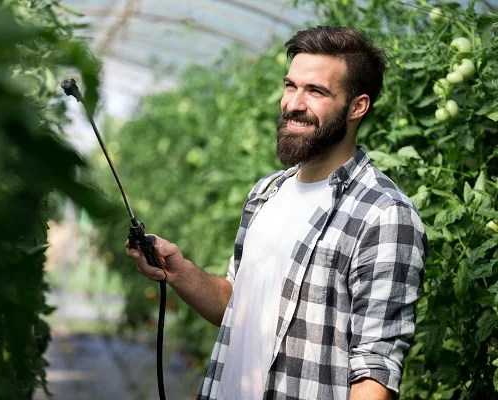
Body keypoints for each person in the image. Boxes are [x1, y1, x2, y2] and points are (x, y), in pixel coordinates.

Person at [125, 26, 427, 400]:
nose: (294, 104)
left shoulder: (383, 214)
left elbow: (375, 372)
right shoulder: (266, 193)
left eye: (316, 91)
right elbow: (237, 307)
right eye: (291, 86)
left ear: (357, 106)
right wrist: (180, 272)